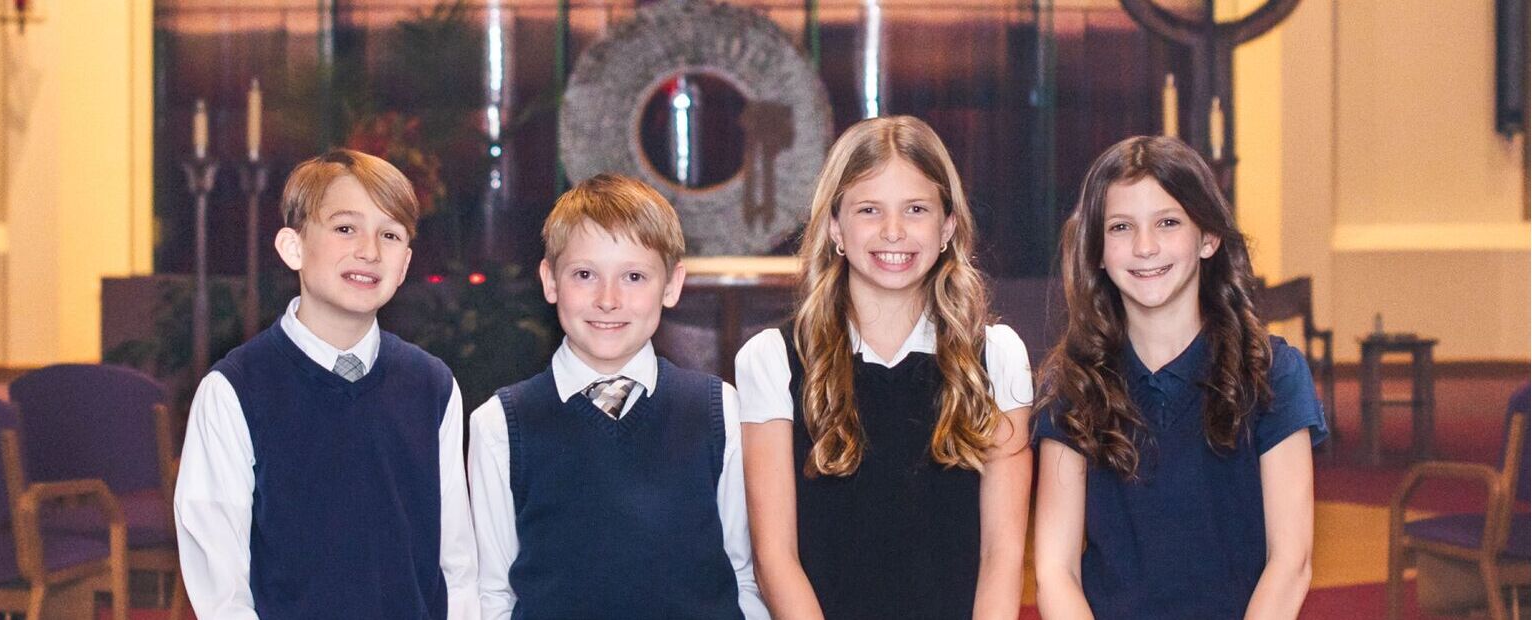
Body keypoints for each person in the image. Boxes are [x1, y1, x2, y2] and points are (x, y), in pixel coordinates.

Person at [737, 115, 1035, 619]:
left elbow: (1001, 556)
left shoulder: (997, 358)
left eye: (916, 209)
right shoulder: (773, 360)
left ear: (947, 227)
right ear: (835, 226)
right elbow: (774, 559)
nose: (893, 231)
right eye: (869, 210)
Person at [174, 149, 477, 619]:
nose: (369, 250)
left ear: (404, 264)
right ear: (293, 247)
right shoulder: (236, 390)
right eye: (345, 228)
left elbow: (456, 564)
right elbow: (221, 588)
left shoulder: (431, 386)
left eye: (390, 235)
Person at [1031, 135, 1325, 619]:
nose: (1145, 247)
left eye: (1168, 223)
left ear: (1208, 238)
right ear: (1097, 251)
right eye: (1121, 227)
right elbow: (1054, 570)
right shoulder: (1073, 384)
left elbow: (1290, 562)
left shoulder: (1273, 373)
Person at [467, 174, 768, 619]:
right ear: (550, 281)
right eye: (585, 274)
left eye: (634, 276)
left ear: (671, 285)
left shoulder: (717, 410)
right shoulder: (500, 425)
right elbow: (492, 594)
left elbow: (743, 576)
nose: (608, 299)